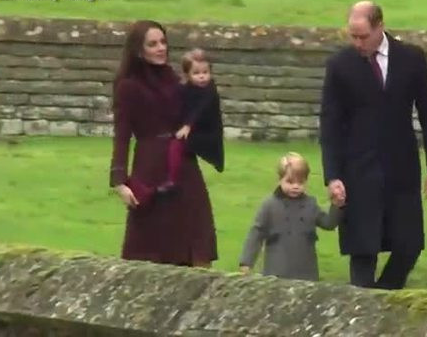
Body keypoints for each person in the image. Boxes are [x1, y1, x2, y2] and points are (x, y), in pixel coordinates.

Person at [319, 1, 427, 289]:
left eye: (362, 36)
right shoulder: (340, 65)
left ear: (380, 27)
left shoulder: (411, 58)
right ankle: (363, 310)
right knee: (363, 249)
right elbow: (330, 124)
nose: (357, 42)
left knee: (409, 245)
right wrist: (333, 176)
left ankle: (383, 295)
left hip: (402, 168)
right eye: (352, 35)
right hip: (358, 170)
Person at [109, 20, 220, 268]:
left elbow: (201, 104)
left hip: (184, 163)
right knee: (151, 251)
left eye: (163, 42)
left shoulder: (173, 78)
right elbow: (122, 134)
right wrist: (119, 181)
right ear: (139, 50)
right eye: (153, 44)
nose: (161, 48)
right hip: (150, 167)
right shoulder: (128, 86)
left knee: (197, 240)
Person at [239, 152, 342, 281]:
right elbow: (256, 233)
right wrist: (246, 262)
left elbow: (328, 224)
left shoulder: (310, 204)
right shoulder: (269, 205)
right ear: (280, 179)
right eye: (290, 181)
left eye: (301, 182)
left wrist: (336, 205)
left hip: (306, 274)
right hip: (276, 272)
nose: (295, 186)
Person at [158, 48, 224, 194]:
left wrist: (188, 125)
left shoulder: (210, 91)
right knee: (166, 141)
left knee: (177, 144)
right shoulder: (186, 88)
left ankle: (172, 181)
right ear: (188, 74)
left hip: (207, 134)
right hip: (193, 129)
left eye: (205, 72)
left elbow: (200, 109)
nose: (202, 77)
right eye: (196, 73)